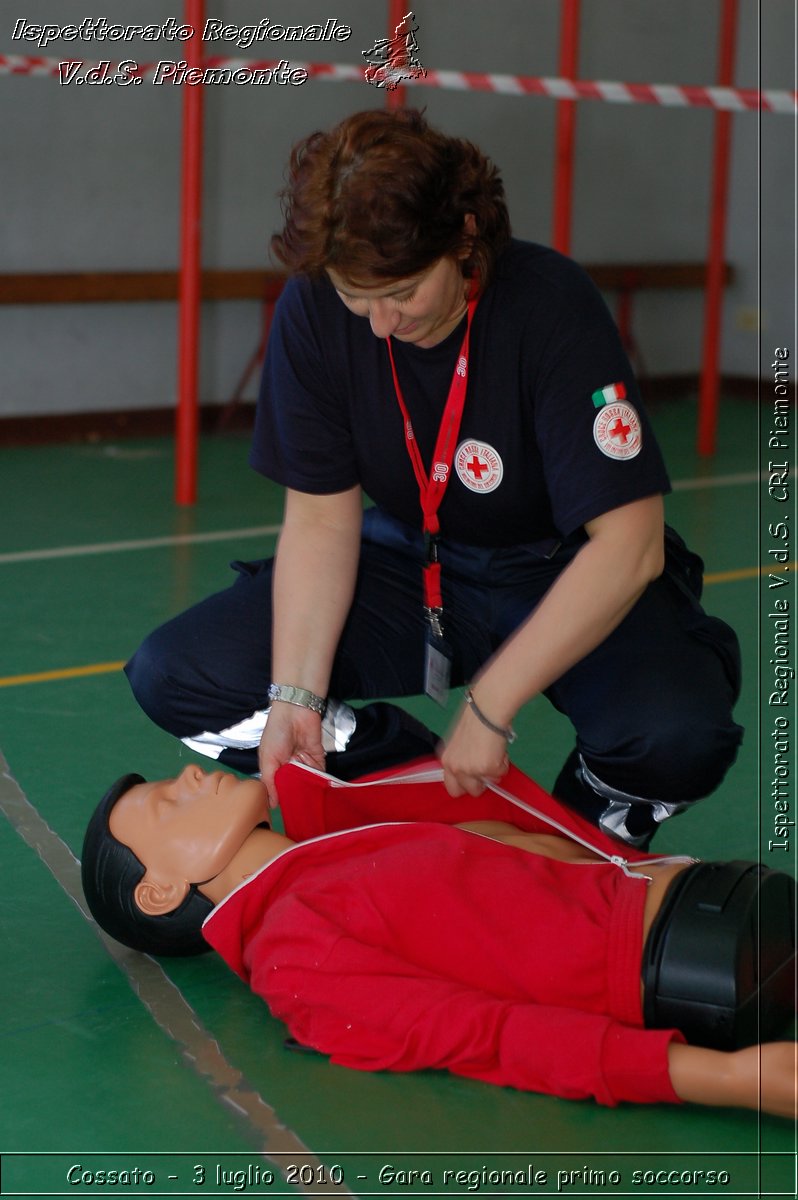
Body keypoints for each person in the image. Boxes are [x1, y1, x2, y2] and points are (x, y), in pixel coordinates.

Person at [125, 107, 743, 847]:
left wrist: (489, 707)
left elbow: (631, 546)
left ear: (466, 236)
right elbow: (322, 520)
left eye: (403, 291)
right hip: (411, 562)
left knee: (675, 735)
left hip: (565, 565)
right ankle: (423, 806)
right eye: (358, 297)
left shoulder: (551, 308)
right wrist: (295, 695)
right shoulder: (316, 313)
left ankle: (579, 843)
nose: (381, 323)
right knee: (178, 673)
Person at [81, 757, 795, 1116]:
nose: (186, 774)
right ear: (160, 890)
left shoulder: (328, 851)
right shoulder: (293, 957)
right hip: (700, 962)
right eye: (166, 803)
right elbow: (487, 1037)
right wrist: (728, 1080)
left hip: (715, 901)